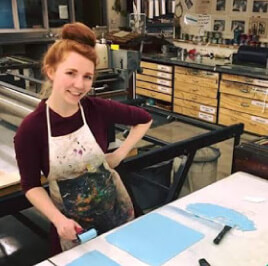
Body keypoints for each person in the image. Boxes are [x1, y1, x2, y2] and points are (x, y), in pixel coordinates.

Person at [14, 22, 152, 255]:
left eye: (87, 76)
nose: (79, 85)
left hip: (119, 213)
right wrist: (58, 220)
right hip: (74, 229)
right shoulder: (31, 129)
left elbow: (144, 119)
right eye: (70, 73)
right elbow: (31, 186)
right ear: (51, 71)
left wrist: (119, 153)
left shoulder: (96, 108)